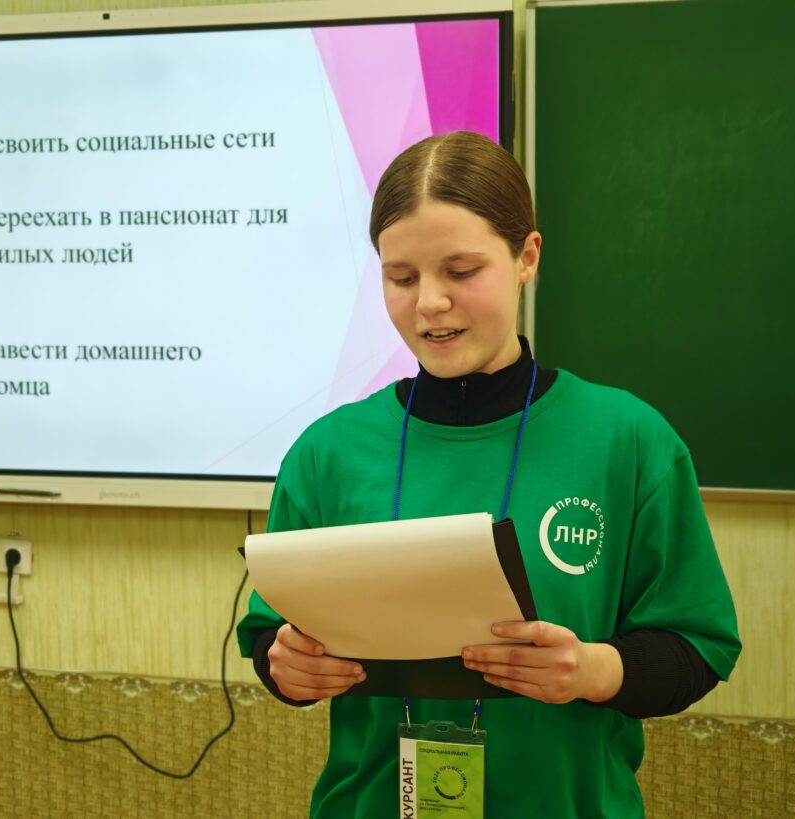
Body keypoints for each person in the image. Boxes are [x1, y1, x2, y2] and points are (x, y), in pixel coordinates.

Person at [236, 131, 740, 818]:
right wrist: (288, 667)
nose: (429, 303)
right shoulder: (327, 453)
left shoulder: (628, 441)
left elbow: (697, 647)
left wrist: (592, 670)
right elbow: (272, 636)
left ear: (526, 256)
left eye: (461, 270)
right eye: (402, 277)